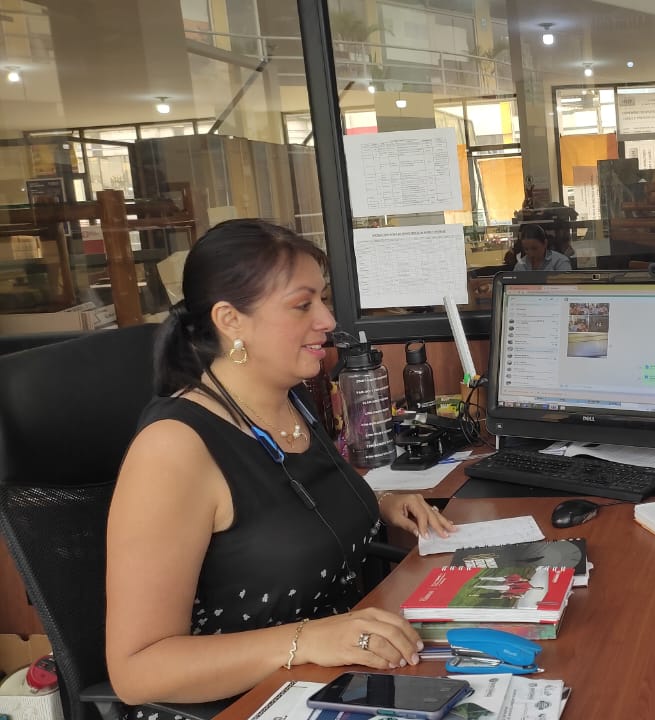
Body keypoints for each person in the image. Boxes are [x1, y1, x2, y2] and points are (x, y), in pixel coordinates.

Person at [105, 219, 458, 707]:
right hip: (237, 703)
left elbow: (282, 501)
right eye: (302, 305)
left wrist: (379, 503)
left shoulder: (289, 401)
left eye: (323, 299)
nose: (328, 320)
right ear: (230, 320)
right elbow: (137, 671)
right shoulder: (173, 449)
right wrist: (307, 640)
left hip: (329, 677)